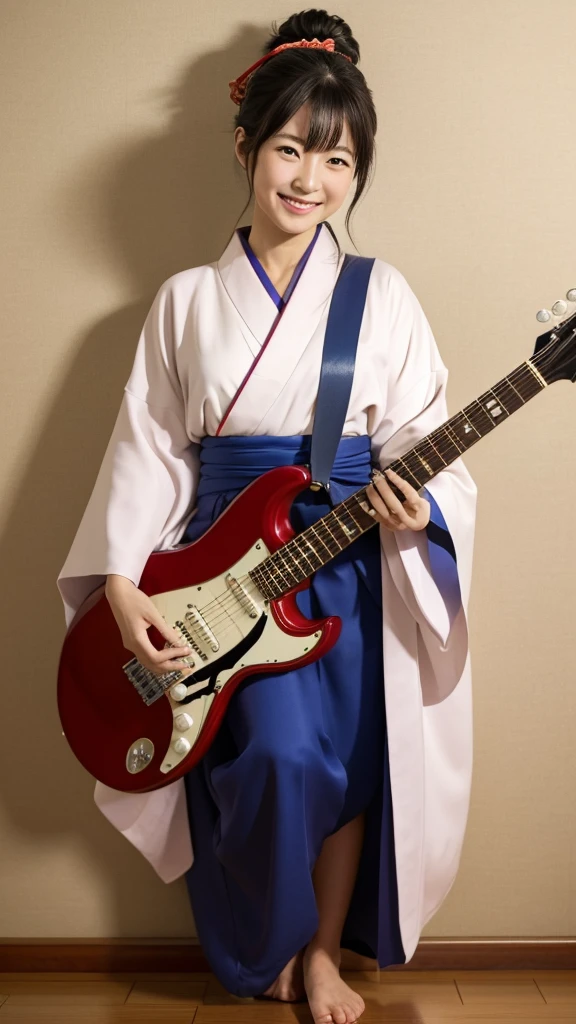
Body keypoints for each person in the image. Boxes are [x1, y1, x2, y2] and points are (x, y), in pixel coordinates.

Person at [57, 10, 477, 1024]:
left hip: (351, 562)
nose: (309, 178)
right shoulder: (186, 302)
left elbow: (422, 435)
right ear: (245, 146)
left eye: (336, 159)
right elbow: (146, 449)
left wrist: (418, 506)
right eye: (290, 148)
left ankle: (324, 952)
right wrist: (119, 586)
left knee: (349, 758)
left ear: (356, 171)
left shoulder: (384, 297)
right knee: (276, 759)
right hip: (216, 568)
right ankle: (272, 937)